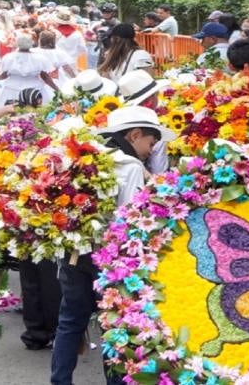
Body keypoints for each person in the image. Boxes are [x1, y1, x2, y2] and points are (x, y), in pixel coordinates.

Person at [51, 107, 176, 385]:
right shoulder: (128, 166)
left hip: (73, 253)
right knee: (114, 325)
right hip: (109, 261)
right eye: (150, 143)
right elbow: (129, 218)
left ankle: (60, 381)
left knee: (70, 321)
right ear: (134, 135)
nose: (150, 150)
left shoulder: (85, 158)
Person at [0, 35, 59, 108]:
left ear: (18, 44)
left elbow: (5, 74)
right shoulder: (40, 58)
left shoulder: (9, 57)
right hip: (34, 89)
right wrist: (56, 88)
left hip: (11, 89)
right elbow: (45, 77)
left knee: (9, 110)